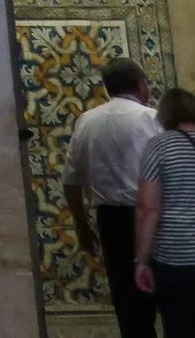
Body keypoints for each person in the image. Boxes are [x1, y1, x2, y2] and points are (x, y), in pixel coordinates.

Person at [69, 59, 161, 338]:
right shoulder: (152, 119)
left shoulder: (86, 121)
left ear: (108, 88)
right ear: (142, 85)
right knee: (170, 293)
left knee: (127, 299)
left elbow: (70, 182)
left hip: (110, 221)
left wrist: (82, 225)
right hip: (154, 219)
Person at [136, 86, 195, 334]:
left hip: (174, 257)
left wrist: (142, 260)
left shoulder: (158, 146)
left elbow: (148, 207)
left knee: (179, 326)